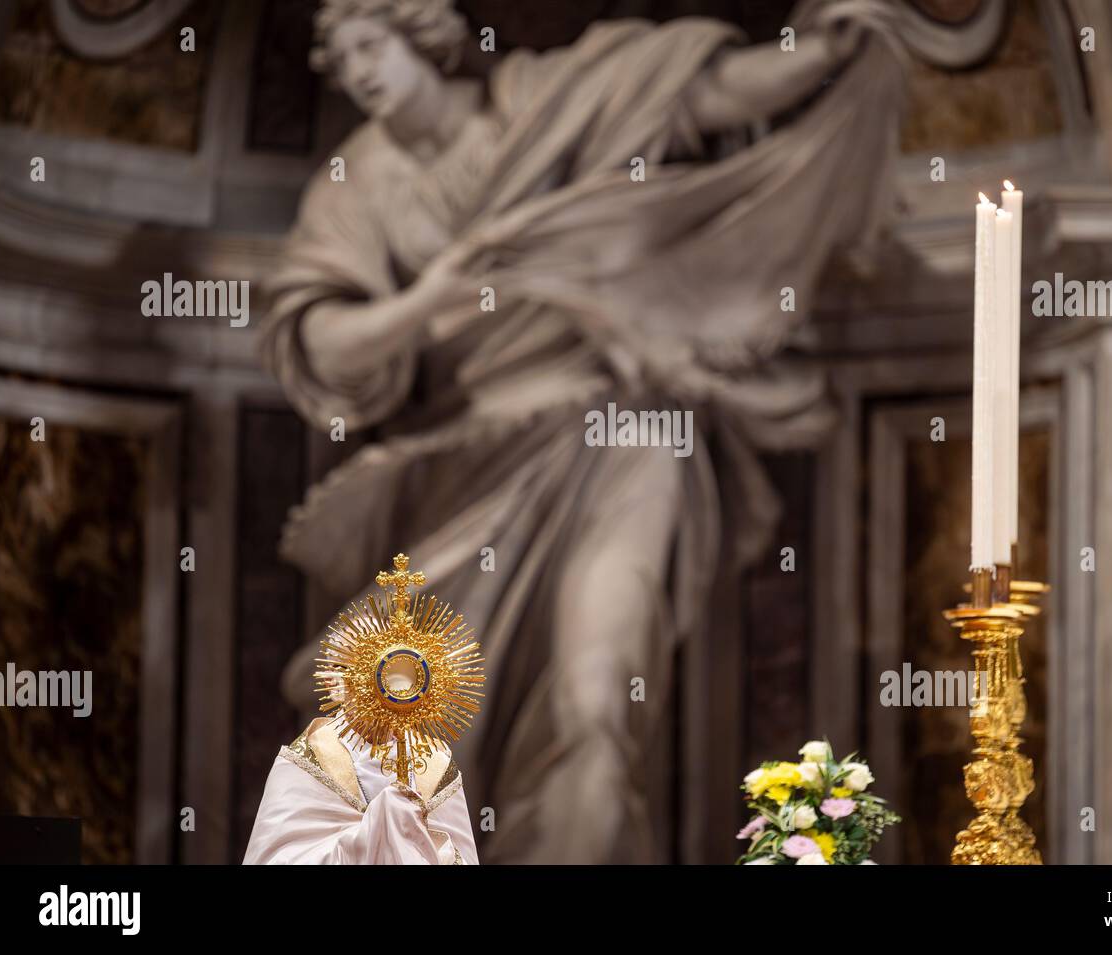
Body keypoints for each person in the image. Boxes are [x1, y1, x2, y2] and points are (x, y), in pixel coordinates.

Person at [261, 0, 904, 862]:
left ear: (423, 35)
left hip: (629, 434)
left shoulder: (543, 98)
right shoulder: (359, 180)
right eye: (341, 62)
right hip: (472, 463)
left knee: (596, 710)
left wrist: (818, 52)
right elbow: (314, 336)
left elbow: (702, 93)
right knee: (384, 737)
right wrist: (428, 299)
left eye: (371, 47)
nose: (361, 73)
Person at [244, 718, 478, 864]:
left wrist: (417, 843)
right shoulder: (305, 759)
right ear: (335, 682)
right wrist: (367, 839)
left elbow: (463, 857)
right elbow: (274, 859)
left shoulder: (435, 764)